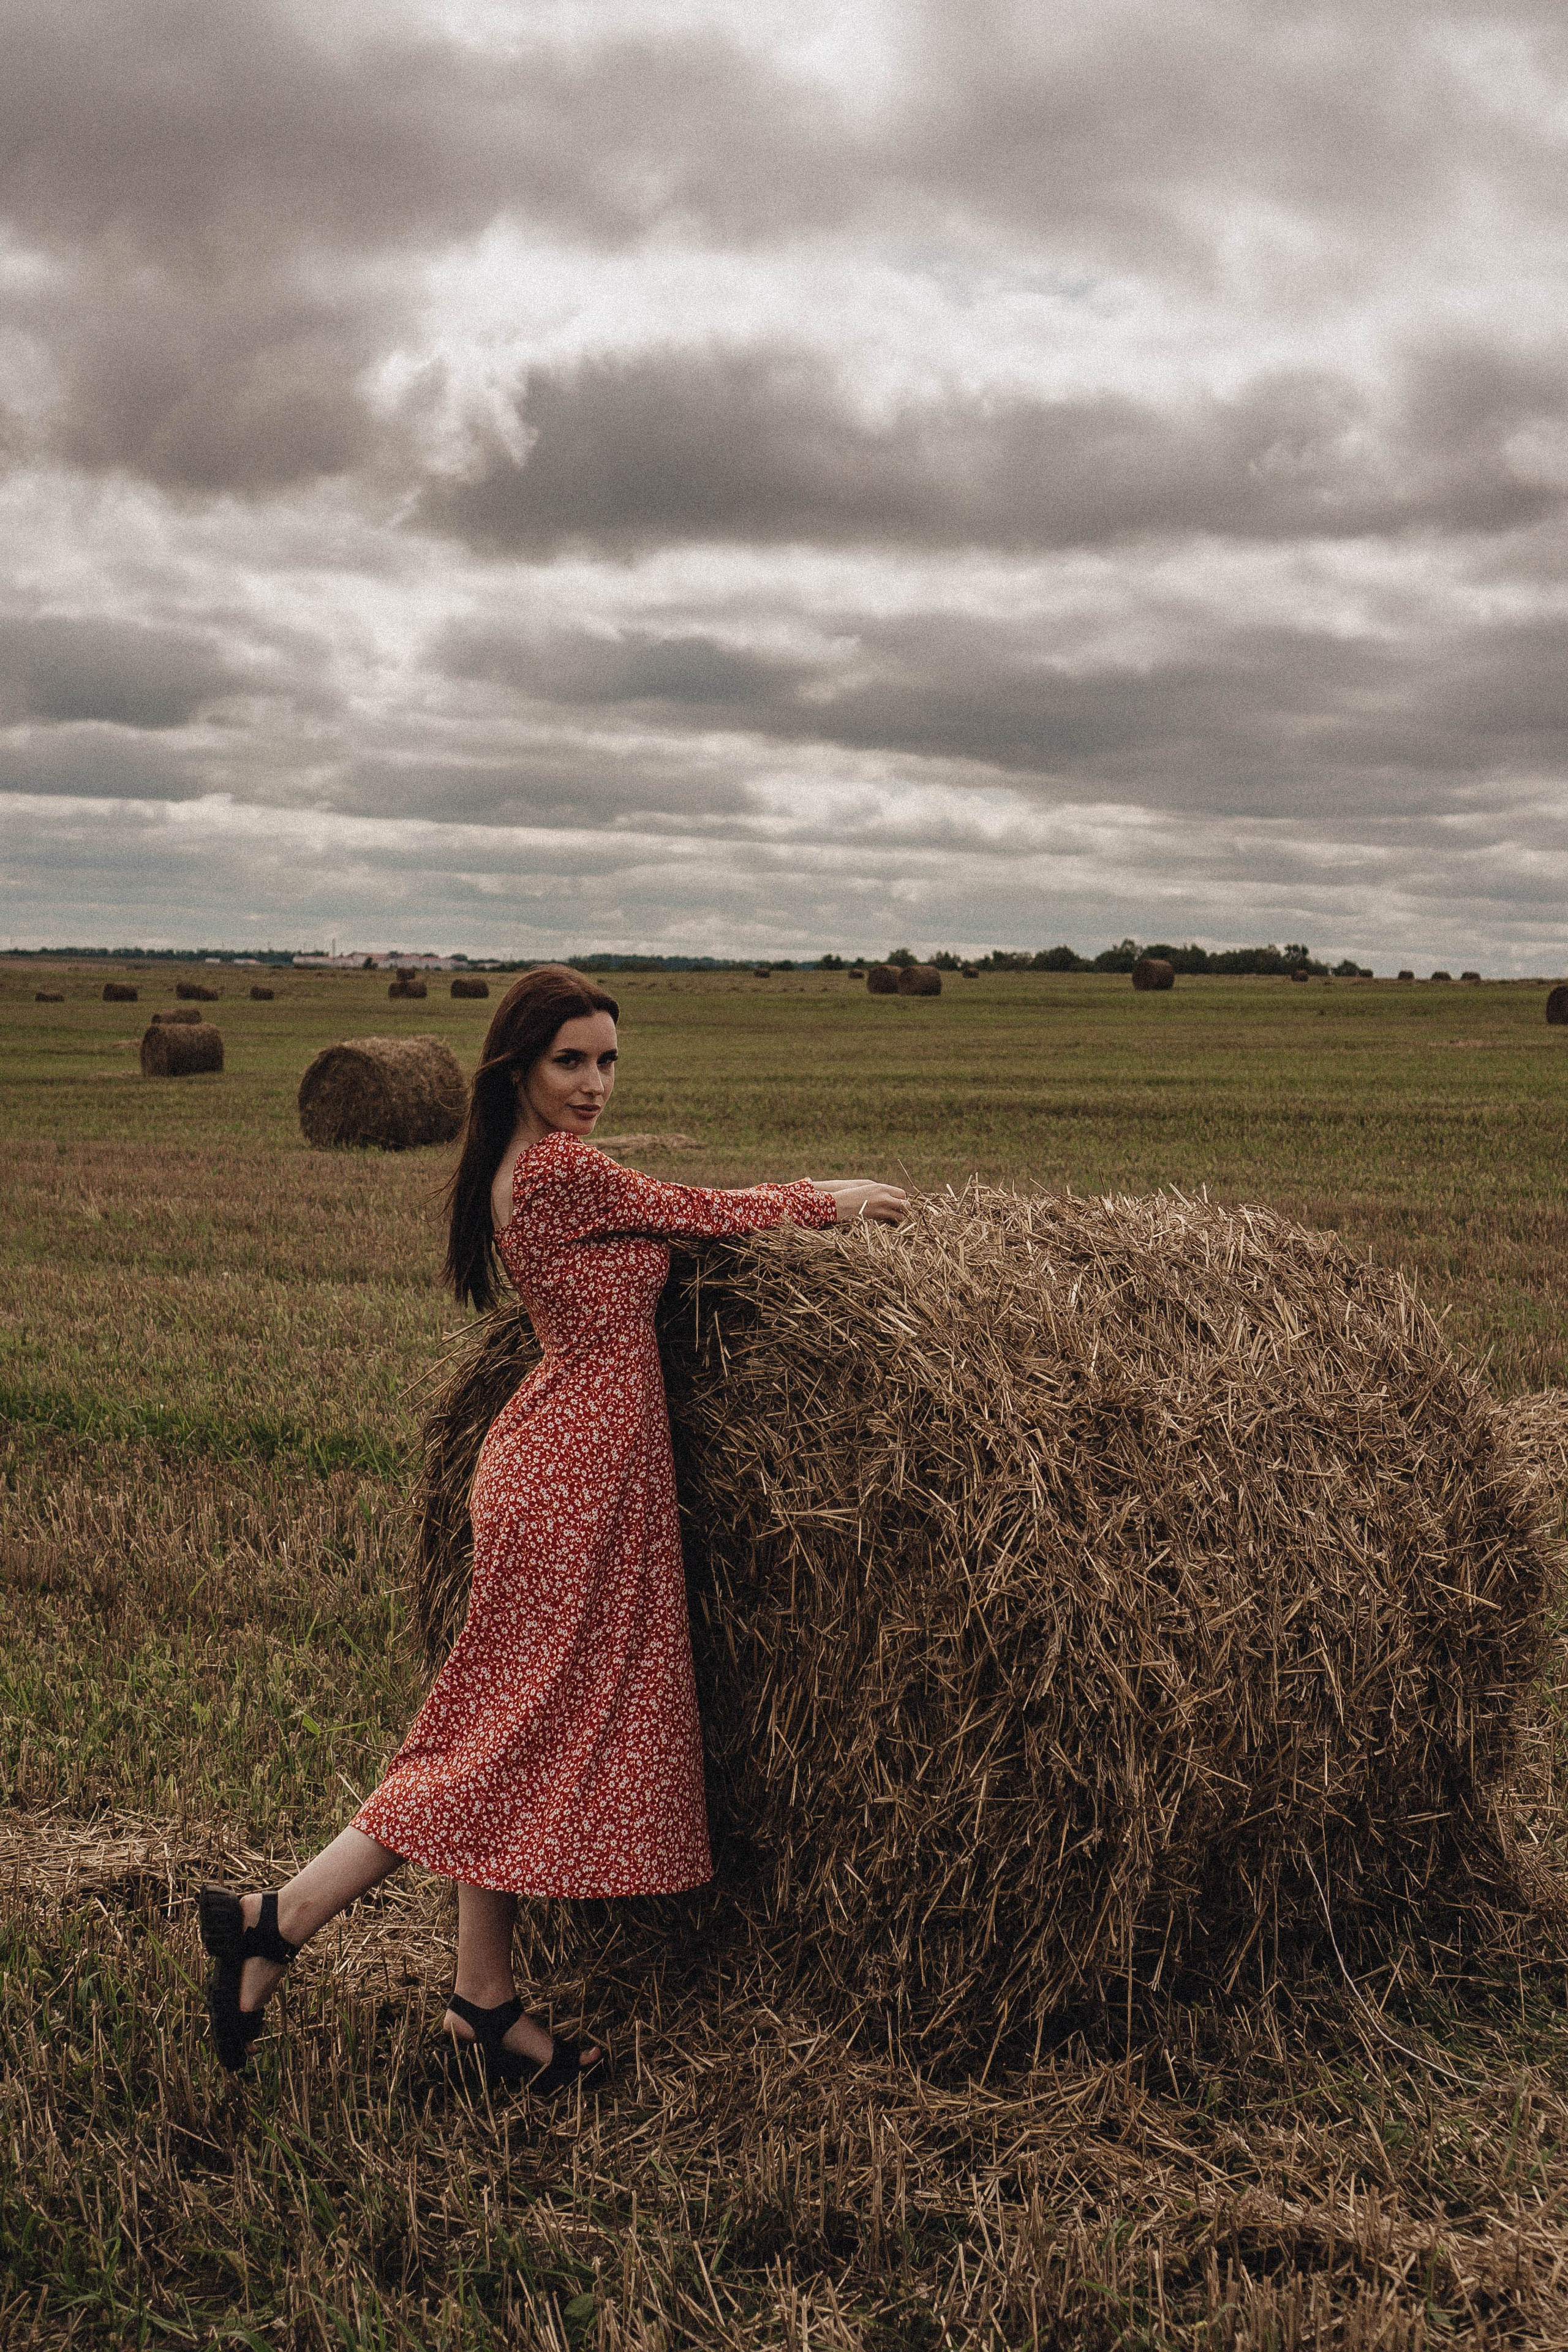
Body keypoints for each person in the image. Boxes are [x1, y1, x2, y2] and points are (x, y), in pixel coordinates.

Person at [200, 965, 910, 2093]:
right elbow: (705, 1214)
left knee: (508, 1734)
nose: (594, 1083)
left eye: (608, 1061)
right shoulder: (567, 1173)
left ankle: (483, 2005)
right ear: (520, 1065)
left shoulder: (519, 1166)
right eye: (570, 1060)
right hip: (571, 1481)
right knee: (491, 1741)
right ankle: (274, 1919)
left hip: (572, 1463)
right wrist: (838, 1195)